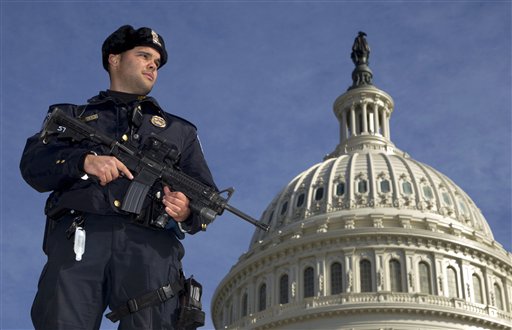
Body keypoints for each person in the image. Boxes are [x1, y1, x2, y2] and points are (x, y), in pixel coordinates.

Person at [20, 25, 217, 329]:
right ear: (114, 59)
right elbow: (33, 164)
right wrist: (84, 161)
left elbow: (206, 194)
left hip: (150, 246)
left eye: (157, 62)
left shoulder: (181, 131)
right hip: (81, 235)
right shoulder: (72, 116)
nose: (153, 64)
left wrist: (187, 209)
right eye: (144, 55)